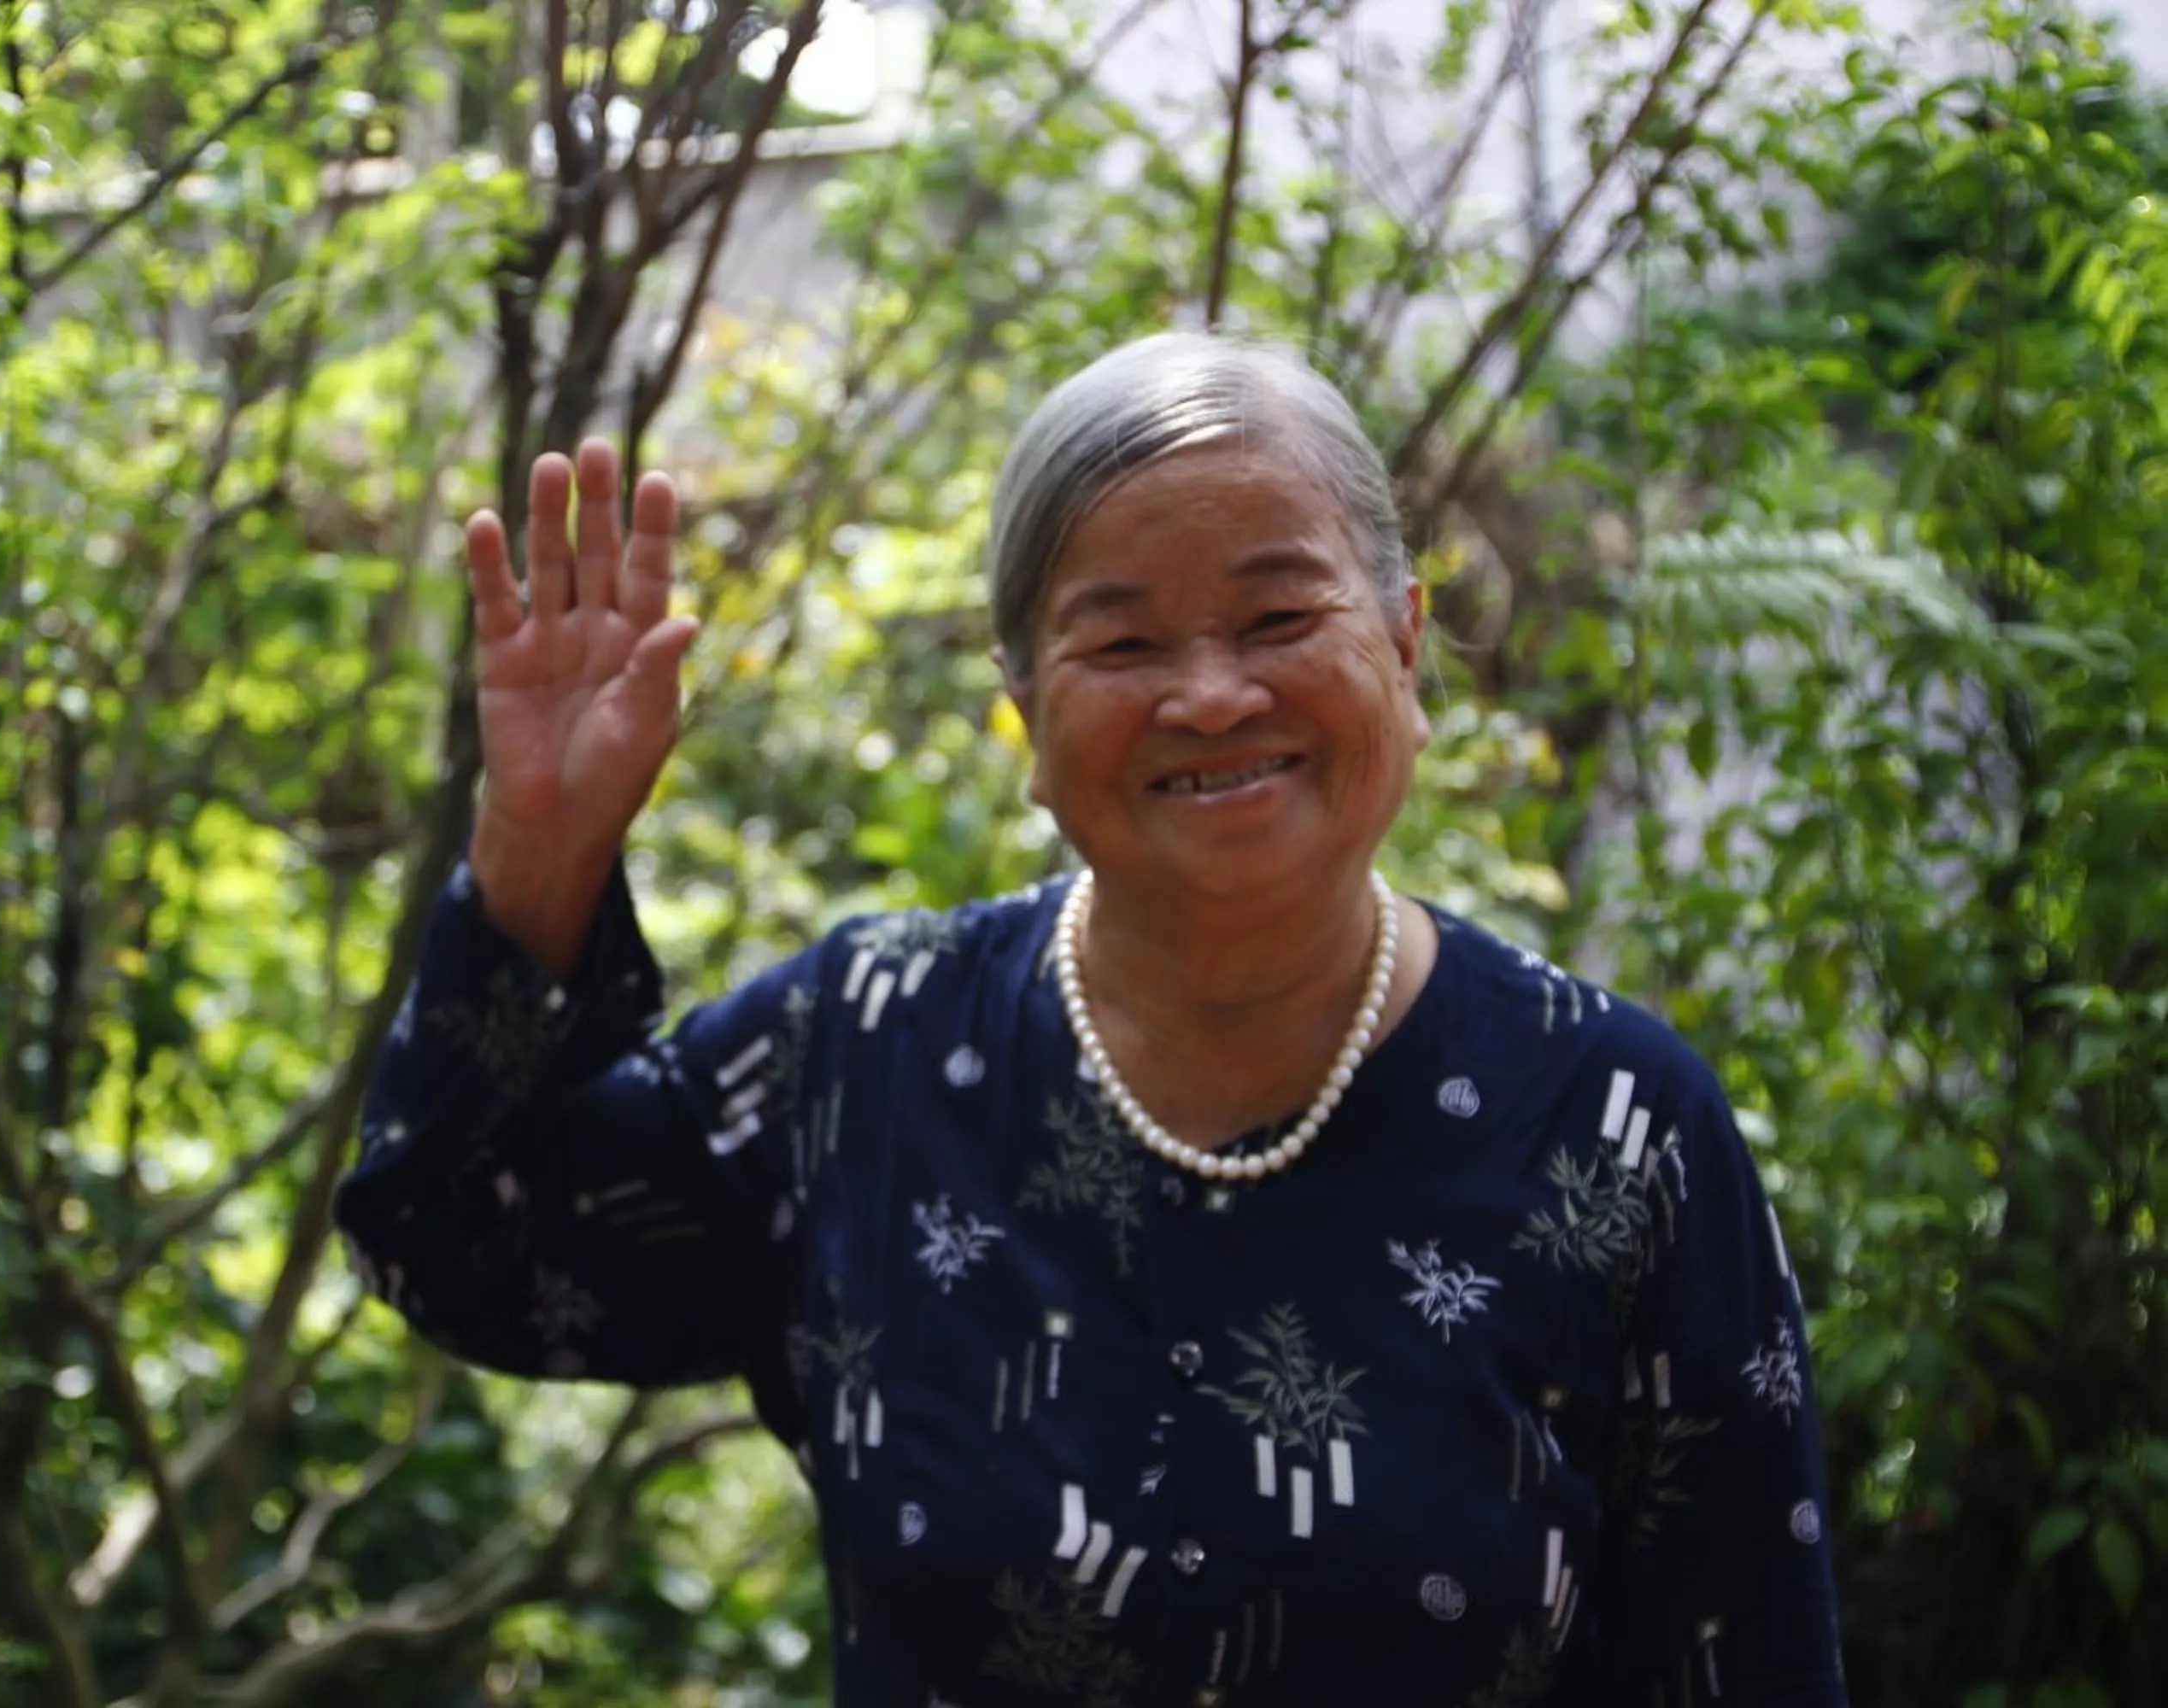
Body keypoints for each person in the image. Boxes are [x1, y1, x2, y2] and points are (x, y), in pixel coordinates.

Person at [333, 332, 1847, 1705]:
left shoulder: (1616, 1129)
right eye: (1122, 645)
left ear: (1401, 639)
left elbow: (1750, 1663)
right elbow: (461, 1238)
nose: (1209, 696)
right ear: (1026, 712)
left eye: (1279, 614)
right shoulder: (867, 1052)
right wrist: (538, 845)